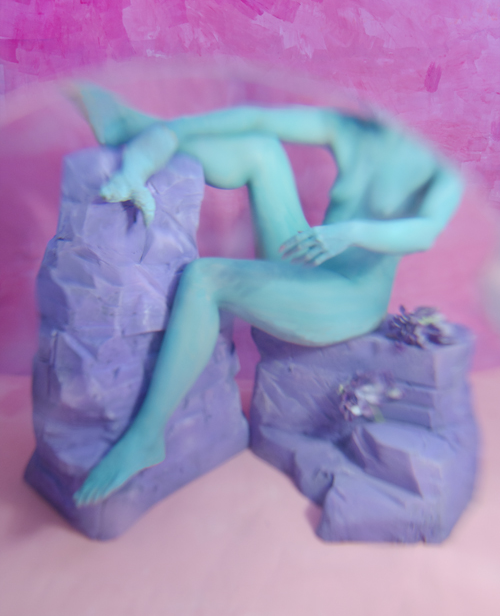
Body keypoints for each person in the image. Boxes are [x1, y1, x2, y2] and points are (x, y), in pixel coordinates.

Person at [65, 84, 463, 506]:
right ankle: (138, 127)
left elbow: (427, 231)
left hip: (349, 297)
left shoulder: (439, 162)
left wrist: (351, 232)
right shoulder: (349, 128)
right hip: (310, 258)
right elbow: (256, 118)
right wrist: (174, 130)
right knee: (261, 148)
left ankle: (147, 436)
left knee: (205, 278)